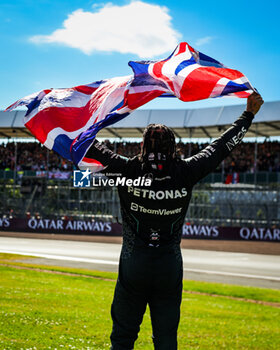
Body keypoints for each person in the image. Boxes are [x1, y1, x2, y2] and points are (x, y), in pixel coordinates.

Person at [86, 92, 263, 350]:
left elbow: (88, 144)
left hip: (133, 266)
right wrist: (247, 116)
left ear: (143, 146)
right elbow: (220, 147)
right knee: (166, 341)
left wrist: (70, 123)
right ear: (173, 146)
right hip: (169, 267)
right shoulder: (186, 171)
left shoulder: (125, 170)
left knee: (122, 339)